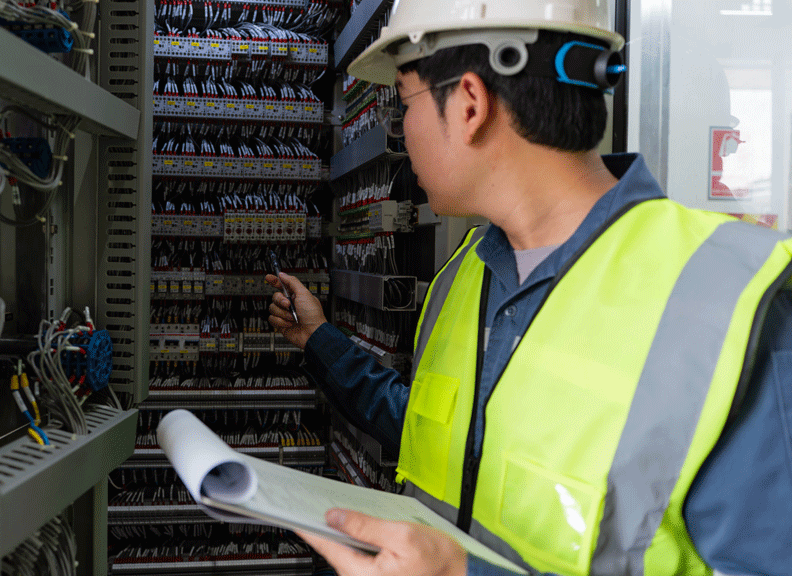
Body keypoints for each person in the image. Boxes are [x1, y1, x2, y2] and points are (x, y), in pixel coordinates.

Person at [265, 1, 792, 575]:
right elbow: (449, 439)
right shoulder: (464, 275)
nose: (403, 130)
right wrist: (319, 339)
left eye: (403, 100)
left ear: (469, 104)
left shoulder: (735, 302)